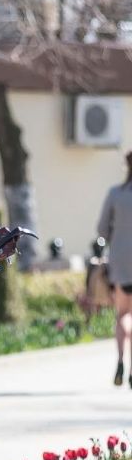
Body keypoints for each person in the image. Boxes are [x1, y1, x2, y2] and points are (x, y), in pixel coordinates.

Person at [96, 150, 132, 388]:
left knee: (121, 314)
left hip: (121, 261)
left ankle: (120, 361)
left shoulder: (116, 194)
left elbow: (101, 230)